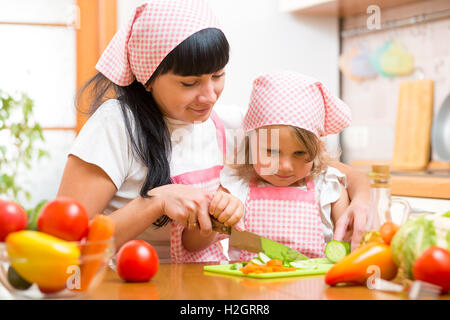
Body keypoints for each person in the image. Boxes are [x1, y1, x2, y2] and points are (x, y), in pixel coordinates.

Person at [57, 0, 369, 264]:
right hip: (127, 286)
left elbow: (328, 170)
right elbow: (66, 247)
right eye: (189, 83)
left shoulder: (232, 125)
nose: (209, 95)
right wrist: (153, 203)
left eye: (217, 76)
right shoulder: (115, 126)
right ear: (148, 77)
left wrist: (364, 200)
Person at [175, 71, 354, 261]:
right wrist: (216, 218)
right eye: (272, 152)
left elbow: (349, 249)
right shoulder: (234, 189)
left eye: (300, 153)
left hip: (313, 288)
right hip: (249, 289)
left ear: (318, 149)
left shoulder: (330, 190)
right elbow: (191, 244)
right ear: (250, 145)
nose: (285, 166)